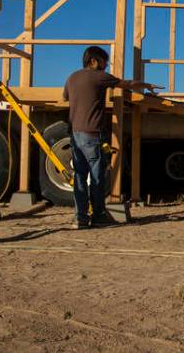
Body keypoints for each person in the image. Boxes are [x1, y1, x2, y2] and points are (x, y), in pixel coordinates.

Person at [63, 46, 160, 229]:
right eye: (103, 61)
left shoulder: (72, 77)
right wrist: (145, 85)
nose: (105, 65)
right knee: (97, 177)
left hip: (75, 134)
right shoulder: (99, 76)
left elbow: (66, 97)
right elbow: (126, 84)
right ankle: (98, 215)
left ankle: (80, 218)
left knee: (80, 177)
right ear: (93, 61)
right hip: (92, 134)